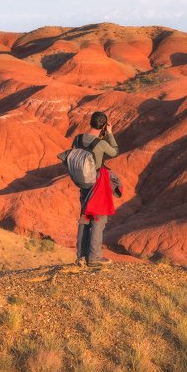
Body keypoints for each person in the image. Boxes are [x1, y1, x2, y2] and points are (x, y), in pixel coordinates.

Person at [75, 111, 119, 267]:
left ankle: (81, 256)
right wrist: (110, 134)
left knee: (85, 217)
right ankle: (94, 257)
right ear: (103, 126)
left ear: (90, 122)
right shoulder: (101, 143)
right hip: (97, 183)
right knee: (98, 219)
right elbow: (114, 151)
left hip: (83, 183)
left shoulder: (78, 139)